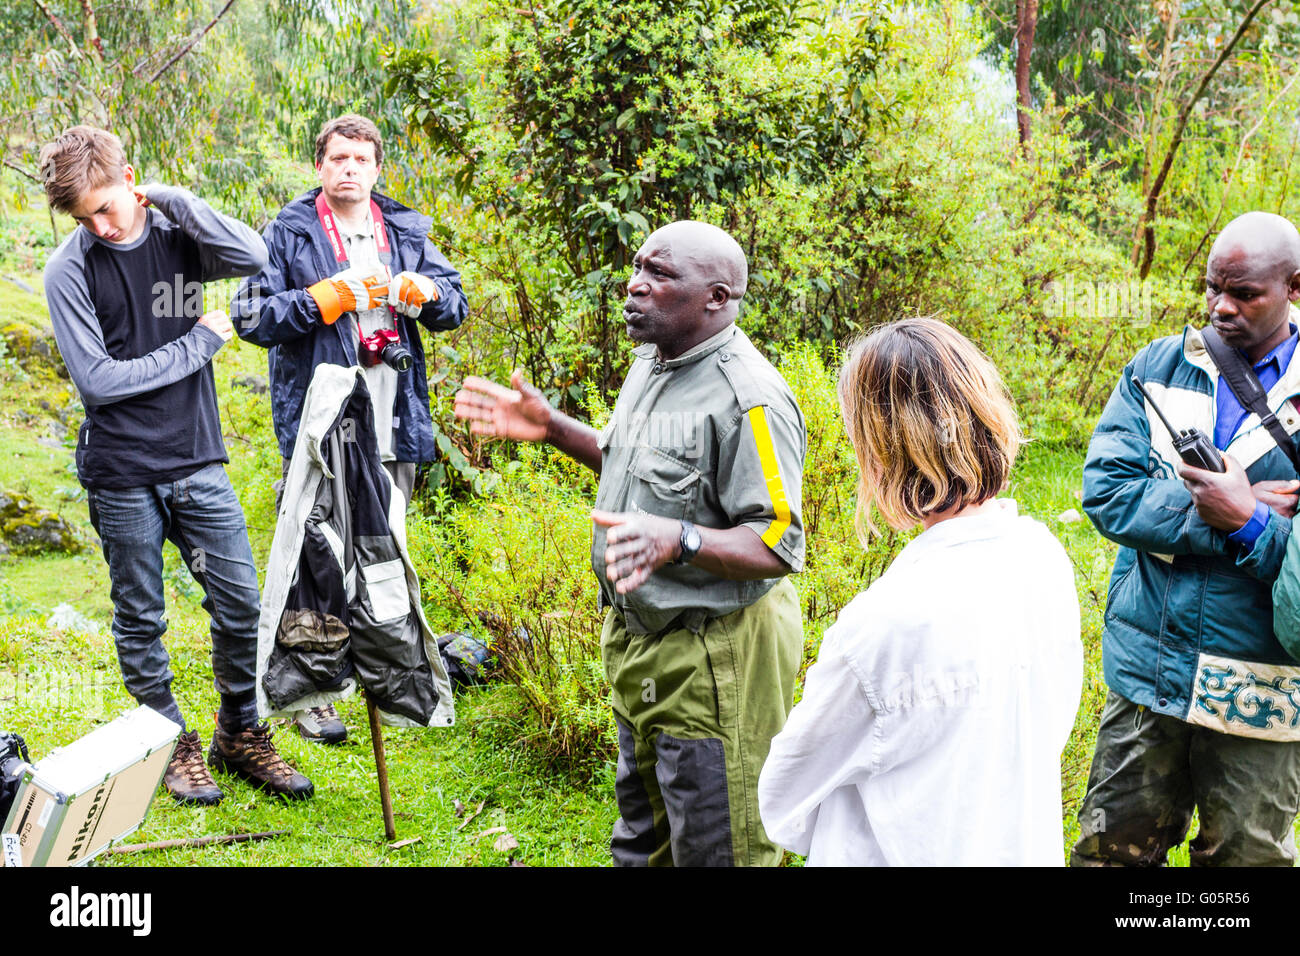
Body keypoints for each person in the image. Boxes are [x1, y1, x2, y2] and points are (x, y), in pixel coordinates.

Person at [454, 221, 806, 866]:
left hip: (714, 654)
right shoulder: (655, 362)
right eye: (638, 265)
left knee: (716, 846)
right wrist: (552, 427)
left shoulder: (749, 400)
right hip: (642, 647)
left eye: (660, 275)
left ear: (717, 298)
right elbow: (635, 462)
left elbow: (778, 544)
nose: (635, 284)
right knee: (642, 841)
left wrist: (681, 539)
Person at [40, 125, 313, 804]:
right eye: (85, 218)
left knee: (241, 604)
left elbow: (252, 254)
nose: (101, 227)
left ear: (129, 179)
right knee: (141, 615)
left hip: (197, 458)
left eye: (108, 206)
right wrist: (198, 344)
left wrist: (169, 198)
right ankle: (167, 739)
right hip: (121, 469)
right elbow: (99, 383)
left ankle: (240, 733)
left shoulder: (177, 239)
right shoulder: (67, 270)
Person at [756, 318, 1082, 866]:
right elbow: (1050, 719)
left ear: (880, 450)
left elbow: (783, 797)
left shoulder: (881, 624)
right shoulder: (1042, 555)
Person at [1073, 211, 1300, 867]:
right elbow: (1110, 492)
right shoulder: (1159, 366)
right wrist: (1222, 512)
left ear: (1294, 287)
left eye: (1245, 294)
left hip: (1261, 687)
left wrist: (1248, 522)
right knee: (1110, 854)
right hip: (1150, 676)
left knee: (1243, 864)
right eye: (1211, 289)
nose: (1220, 308)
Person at [231, 114, 467, 744]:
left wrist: (426, 293)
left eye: (361, 160)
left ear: (377, 167)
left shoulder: (405, 229)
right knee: (318, 554)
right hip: (322, 419)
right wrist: (322, 300)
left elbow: (455, 301)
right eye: (338, 159)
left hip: (394, 414)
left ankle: (378, 668)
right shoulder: (289, 231)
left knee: (384, 550)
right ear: (320, 166)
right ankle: (313, 688)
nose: (350, 170)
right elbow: (250, 315)